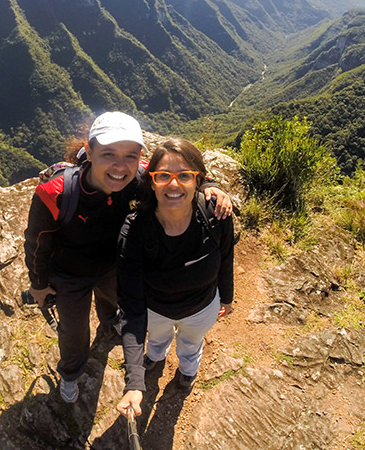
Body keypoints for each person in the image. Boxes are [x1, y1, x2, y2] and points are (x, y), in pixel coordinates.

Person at [23, 112, 232, 404]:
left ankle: (110, 322)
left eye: (130, 156)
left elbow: (181, 173)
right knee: (73, 331)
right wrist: (39, 283)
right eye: (109, 154)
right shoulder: (56, 192)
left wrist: (210, 187)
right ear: (90, 151)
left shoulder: (140, 179)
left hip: (114, 264)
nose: (120, 167)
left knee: (113, 303)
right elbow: (37, 243)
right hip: (70, 274)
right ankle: (70, 373)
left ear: (139, 158)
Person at [115, 138, 234, 417]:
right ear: (152, 182)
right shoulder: (134, 231)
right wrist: (134, 381)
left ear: (198, 180)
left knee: (191, 343)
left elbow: (227, 258)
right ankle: (154, 359)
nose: (173, 184)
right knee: (156, 339)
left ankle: (187, 370)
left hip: (203, 307)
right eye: (163, 176)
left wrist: (227, 298)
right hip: (155, 310)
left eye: (184, 176)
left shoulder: (217, 216)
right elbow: (130, 306)